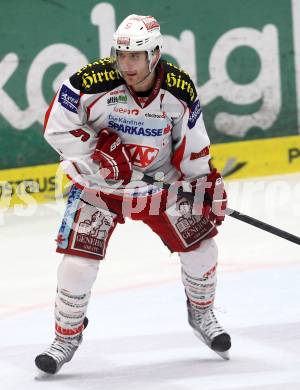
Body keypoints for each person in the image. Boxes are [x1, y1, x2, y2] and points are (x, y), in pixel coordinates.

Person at [35, 14, 231, 375]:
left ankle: (202, 314)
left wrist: (204, 185)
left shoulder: (179, 90)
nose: (126, 64)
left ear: (155, 54)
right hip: (98, 186)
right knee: (77, 266)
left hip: (157, 183)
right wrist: (97, 150)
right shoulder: (88, 81)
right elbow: (55, 127)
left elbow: (193, 146)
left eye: (135, 56)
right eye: (121, 55)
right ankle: (66, 336)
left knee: (204, 249)